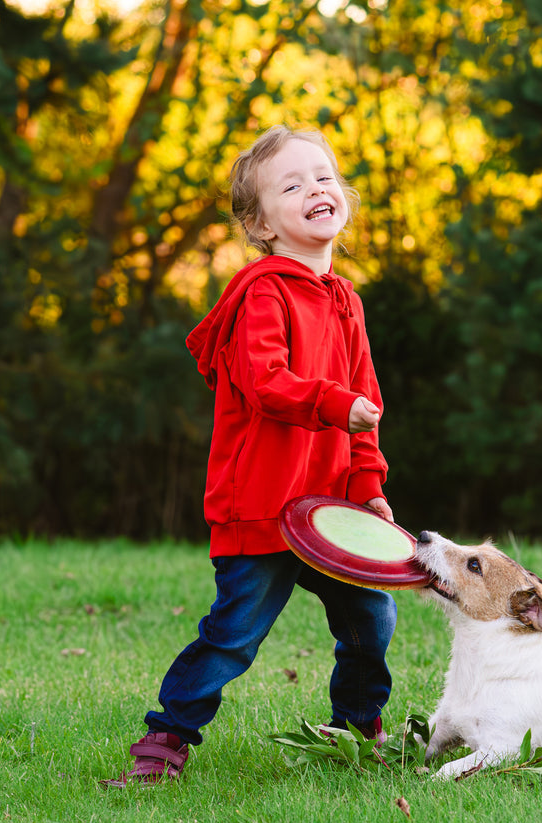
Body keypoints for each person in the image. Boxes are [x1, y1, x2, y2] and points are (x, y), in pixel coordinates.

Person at [103, 126, 397, 787]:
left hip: (328, 512)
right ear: (260, 224)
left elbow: (365, 408)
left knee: (371, 617)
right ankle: (164, 740)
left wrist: (368, 485)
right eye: (290, 185)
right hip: (261, 507)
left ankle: (354, 731)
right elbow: (268, 383)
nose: (313, 189)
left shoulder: (345, 300)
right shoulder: (262, 292)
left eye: (322, 176)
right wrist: (333, 403)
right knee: (233, 635)